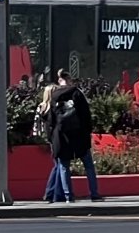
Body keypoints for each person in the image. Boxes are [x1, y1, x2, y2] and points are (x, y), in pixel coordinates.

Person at [48, 69, 101, 202]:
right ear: (69, 80)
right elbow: (86, 115)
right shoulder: (77, 93)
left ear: (60, 81)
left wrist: (51, 137)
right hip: (79, 135)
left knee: (64, 166)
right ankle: (94, 193)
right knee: (88, 165)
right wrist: (87, 132)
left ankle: (68, 196)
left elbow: (51, 119)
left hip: (61, 136)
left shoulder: (54, 95)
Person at [36, 85, 68, 202]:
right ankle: (54, 193)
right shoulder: (54, 108)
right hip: (55, 139)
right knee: (59, 165)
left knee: (57, 164)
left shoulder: (42, 107)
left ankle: (51, 193)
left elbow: (37, 125)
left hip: (48, 138)